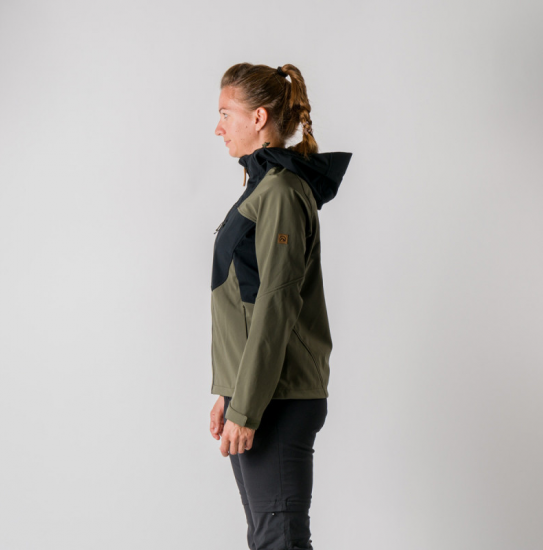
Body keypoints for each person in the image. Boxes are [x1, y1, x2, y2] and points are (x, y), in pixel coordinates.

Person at [209, 62, 352, 549]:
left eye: (226, 114)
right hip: (258, 393)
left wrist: (246, 405)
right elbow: (246, 300)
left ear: (259, 117)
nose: (219, 127)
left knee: (279, 539)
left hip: (278, 397)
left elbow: (276, 302)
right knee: (268, 537)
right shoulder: (262, 187)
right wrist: (230, 392)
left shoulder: (281, 192)